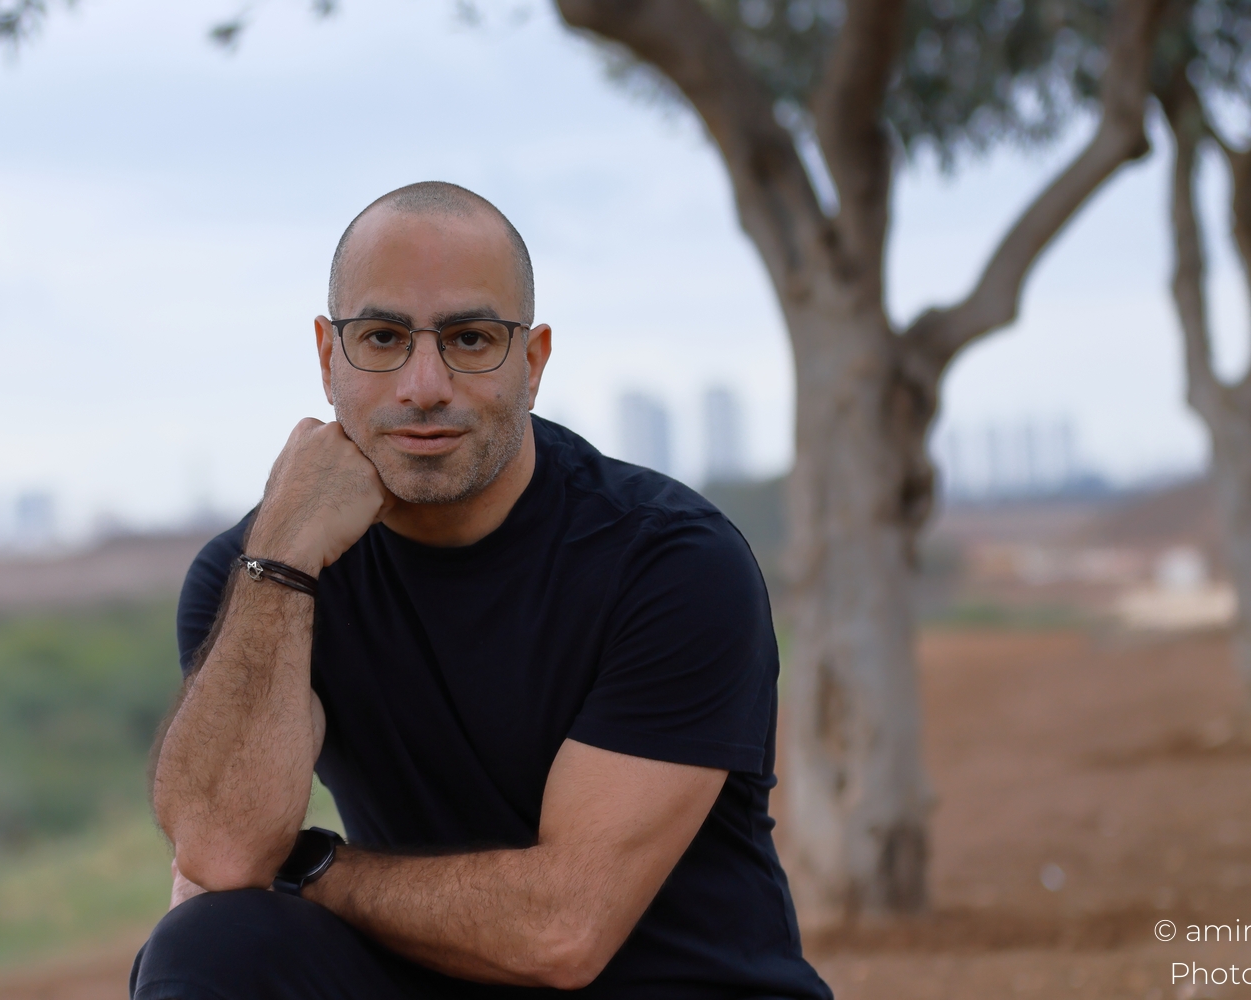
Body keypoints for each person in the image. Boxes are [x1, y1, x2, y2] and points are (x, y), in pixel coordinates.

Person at [131, 181, 832, 1000]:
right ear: (328, 358)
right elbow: (221, 855)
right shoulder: (259, 579)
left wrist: (312, 865)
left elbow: (563, 931)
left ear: (531, 364)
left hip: (685, 988)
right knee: (210, 947)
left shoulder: (671, 563)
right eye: (383, 338)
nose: (424, 385)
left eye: (469, 339)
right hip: (445, 977)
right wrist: (282, 560)